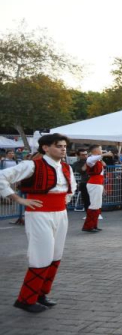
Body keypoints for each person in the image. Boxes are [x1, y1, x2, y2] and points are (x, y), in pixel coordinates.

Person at [0, 133, 76, 313]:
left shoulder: (66, 167)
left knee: (56, 255)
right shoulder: (32, 165)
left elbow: (70, 188)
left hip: (60, 213)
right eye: (59, 146)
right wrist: (18, 199)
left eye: (64, 146)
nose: (63, 149)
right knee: (41, 255)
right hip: (39, 214)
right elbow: (2, 177)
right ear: (46, 148)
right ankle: (26, 299)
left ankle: (41, 294)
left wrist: (64, 201)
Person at [82, 145, 112, 233]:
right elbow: (92, 160)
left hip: (97, 183)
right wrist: (104, 154)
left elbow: (103, 165)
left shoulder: (97, 160)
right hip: (94, 183)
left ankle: (93, 225)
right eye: (100, 149)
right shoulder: (90, 159)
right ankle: (88, 226)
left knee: (97, 205)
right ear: (96, 150)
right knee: (94, 205)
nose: (101, 150)